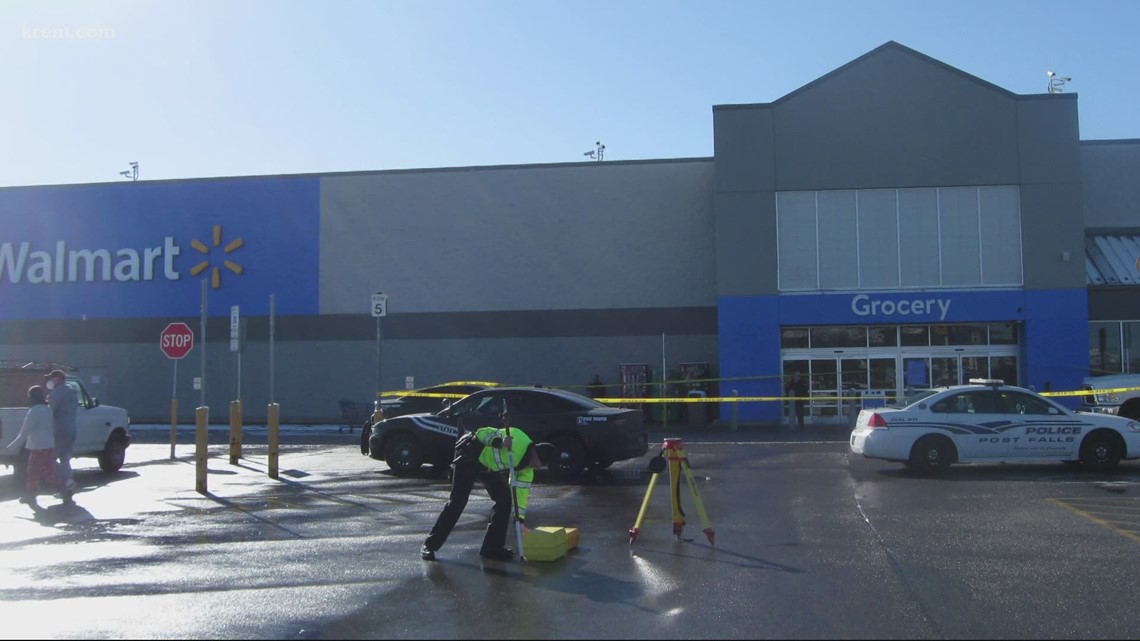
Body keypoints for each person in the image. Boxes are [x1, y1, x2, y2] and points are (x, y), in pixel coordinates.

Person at [421, 422, 560, 561]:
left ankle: (492, 548)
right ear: (536, 454)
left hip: (488, 467)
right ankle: (430, 546)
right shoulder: (517, 438)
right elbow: (482, 432)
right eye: (541, 463)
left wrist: (520, 519)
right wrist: (499, 442)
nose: (539, 467)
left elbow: (520, 494)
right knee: (458, 501)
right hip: (470, 455)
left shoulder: (527, 471)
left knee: (505, 500)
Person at [7, 385, 71, 511]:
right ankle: (64, 489)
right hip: (48, 445)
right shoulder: (47, 409)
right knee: (46, 470)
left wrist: (13, 446)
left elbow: (25, 431)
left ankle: (32, 496)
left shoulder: (35, 411)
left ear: (32, 397)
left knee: (33, 471)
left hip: (38, 446)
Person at [44, 369, 78, 496]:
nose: (50, 381)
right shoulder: (72, 392)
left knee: (50, 458)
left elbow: (50, 412)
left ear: (58, 379)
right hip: (72, 428)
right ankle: (68, 488)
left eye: (52, 378)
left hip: (59, 429)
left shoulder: (56, 393)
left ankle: (67, 482)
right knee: (65, 460)